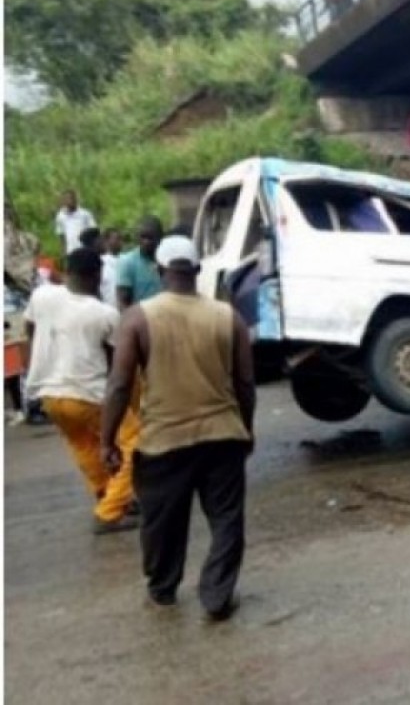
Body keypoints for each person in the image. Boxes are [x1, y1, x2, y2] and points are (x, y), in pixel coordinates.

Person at [101, 236, 256, 619]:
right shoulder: (227, 316)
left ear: (159, 270)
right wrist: (246, 428)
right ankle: (216, 595)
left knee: (162, 521)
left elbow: (119, 384)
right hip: (223, 435)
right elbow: (245, 384)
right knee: (225, 519)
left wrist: (108, 439)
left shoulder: (137, 317)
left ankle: (163, 589)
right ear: (198, 270)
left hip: (164, 441)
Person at [24, 249, 140, 534]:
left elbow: (29, 327)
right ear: (97, 276)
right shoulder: (104, 313)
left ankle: (108, 492)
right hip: (88, 393)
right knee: (136, 441)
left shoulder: (43, 296)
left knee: (83, 444)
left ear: (65, 270)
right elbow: (118, 366)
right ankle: (110, 511)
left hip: (49, 394)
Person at [117, 216, 164, 310]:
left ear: (160, 237)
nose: (146, 242)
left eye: (150, 238)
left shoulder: (167, 261)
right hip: (140, 318)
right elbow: (123, 301)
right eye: (143, 237)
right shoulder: (128, 262)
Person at [55, 190, 97, 257]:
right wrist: (63, 252)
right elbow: (61, 235)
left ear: (76, 199)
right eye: (67, 199)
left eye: (71, 198)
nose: (69, 201)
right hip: (70, 251)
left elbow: (94, 232)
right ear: (64, 201)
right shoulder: (60, 216)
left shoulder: (85, 214)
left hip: (85, 250)